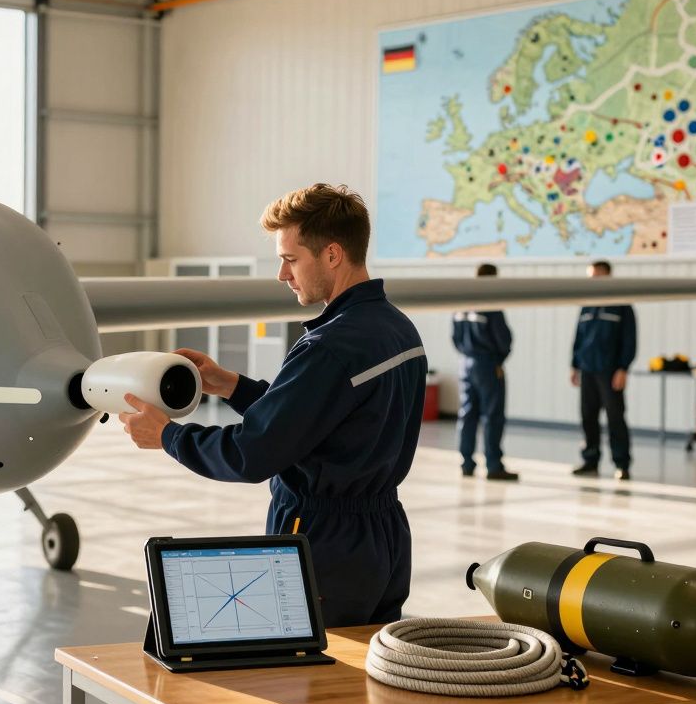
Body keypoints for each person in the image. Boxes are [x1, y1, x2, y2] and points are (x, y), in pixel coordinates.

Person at [118, 183, 427, 627]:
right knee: (366, 673)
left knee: (310, 681)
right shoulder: (399, 331)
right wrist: (231, 386)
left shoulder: (328, 346)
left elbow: (252, 454)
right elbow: (321, 418)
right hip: (385, 538)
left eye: (290, 259)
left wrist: (167, 435)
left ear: (333, 254)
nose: (283, 275)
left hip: (324, 544)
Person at [571, 260, 637, 480]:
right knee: (587, 417)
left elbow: (629, 339)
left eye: (597, 276)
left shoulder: (621, 304)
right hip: (588, 369)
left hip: (610, 371)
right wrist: (574, 365)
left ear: (608, 276)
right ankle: (590, 460)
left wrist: (623, 368)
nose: (593, 281)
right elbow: (579, 338)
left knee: (615, 418)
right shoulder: (587, 305)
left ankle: (622, 463)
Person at [453, 263, 518, 481]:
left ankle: (467, 464)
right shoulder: (490, 302)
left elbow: (455, 338)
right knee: (492, 416)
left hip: (466, 363)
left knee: (467, 414)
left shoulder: (461, 304)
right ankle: (493, 465)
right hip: (488, 365)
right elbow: (503, 339)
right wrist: (499, 359)